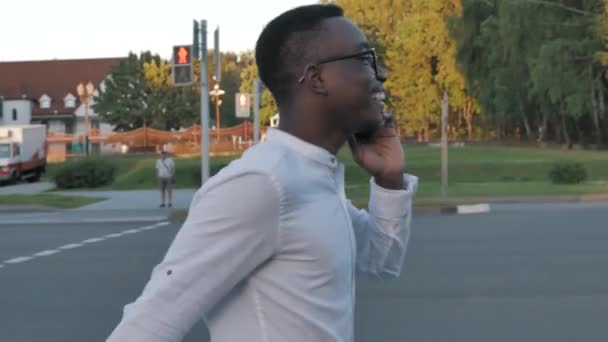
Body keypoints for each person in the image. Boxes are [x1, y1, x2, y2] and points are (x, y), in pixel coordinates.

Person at [107, 4, 418, 342]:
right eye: (364, 60)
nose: (380, 73)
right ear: (316, 78)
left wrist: (389, 180)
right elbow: (149, 324)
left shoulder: (314, 177)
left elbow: (380, 262)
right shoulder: (262, 184)